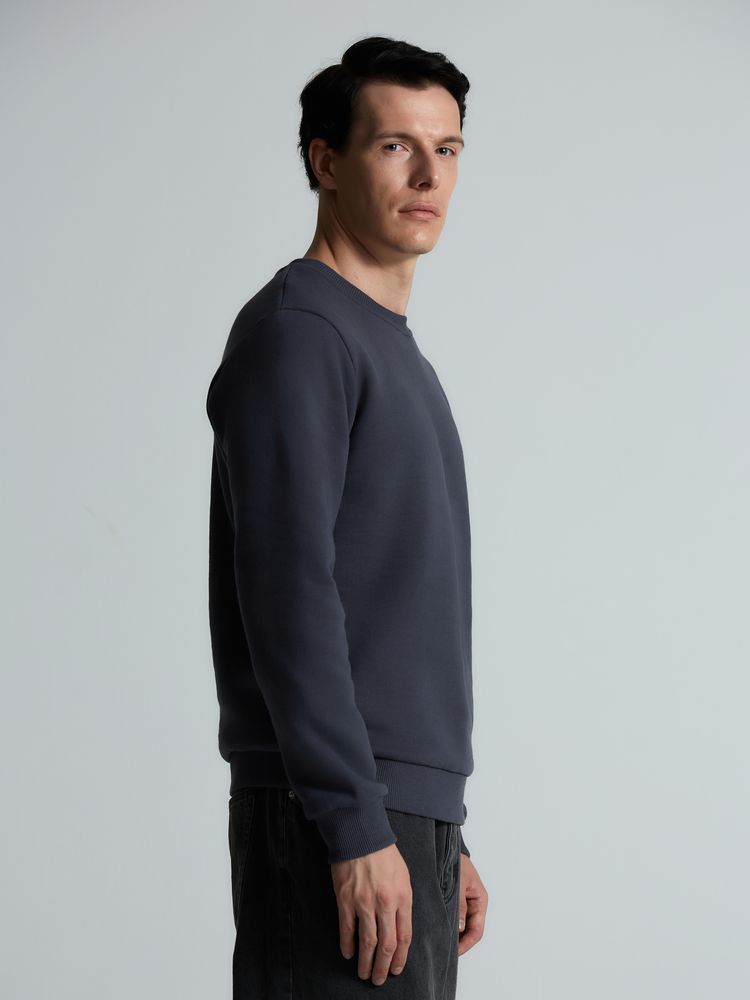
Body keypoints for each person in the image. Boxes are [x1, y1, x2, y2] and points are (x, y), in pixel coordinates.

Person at [205, 34, 488, 998]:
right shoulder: (302, 334)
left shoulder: (387, 348)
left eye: (447, 149)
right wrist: (357, 823)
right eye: (395, 146)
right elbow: (288, 595)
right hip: (330, 810)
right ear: (325, 161)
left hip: (394, 808)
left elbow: (387, 601)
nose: (428, 176)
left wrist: (440, 828)